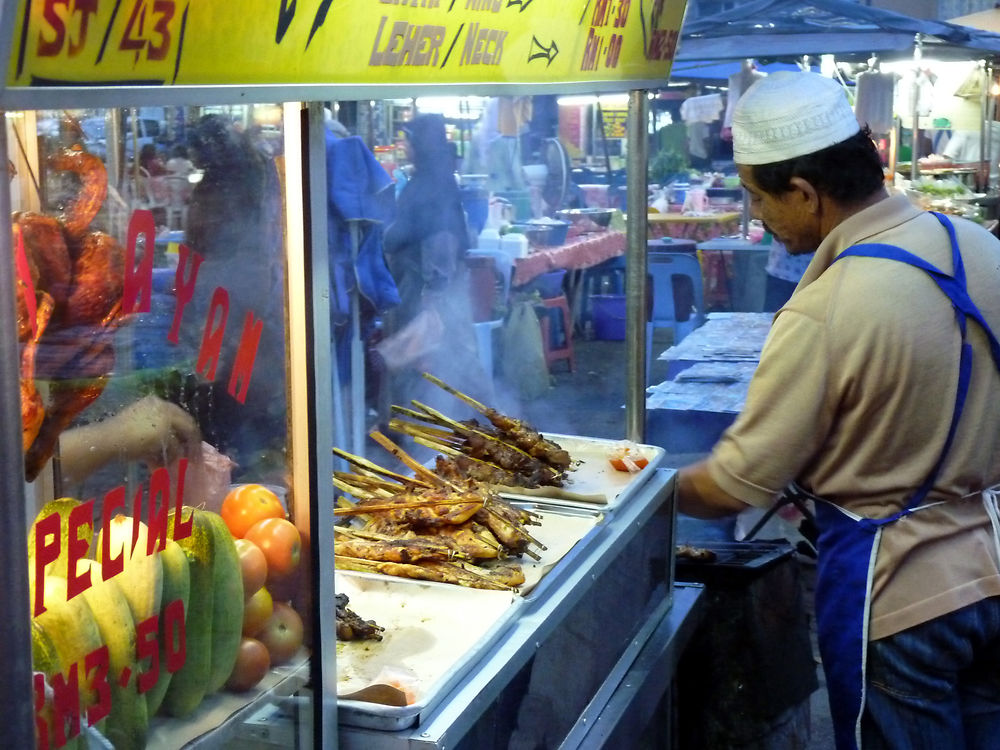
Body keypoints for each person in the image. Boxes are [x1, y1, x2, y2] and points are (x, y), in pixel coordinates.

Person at [674, 71, 1000, 750]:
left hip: (903, 595)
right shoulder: (983, 249)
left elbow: (738, 484)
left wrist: (646, 488)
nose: (756, 217)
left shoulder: (827, 306)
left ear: (804, 193)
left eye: (759, 198)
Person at [380, 113, 491, 416]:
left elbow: (439, 239)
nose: (405, 146)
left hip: (430, 287)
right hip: (435, 285)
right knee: (445, 355)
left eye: (409, 140)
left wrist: (434, 292)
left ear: (422, 144)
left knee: (439, 354)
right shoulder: (435, 177)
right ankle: (467, 419)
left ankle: (482, 422)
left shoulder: (429, 184)